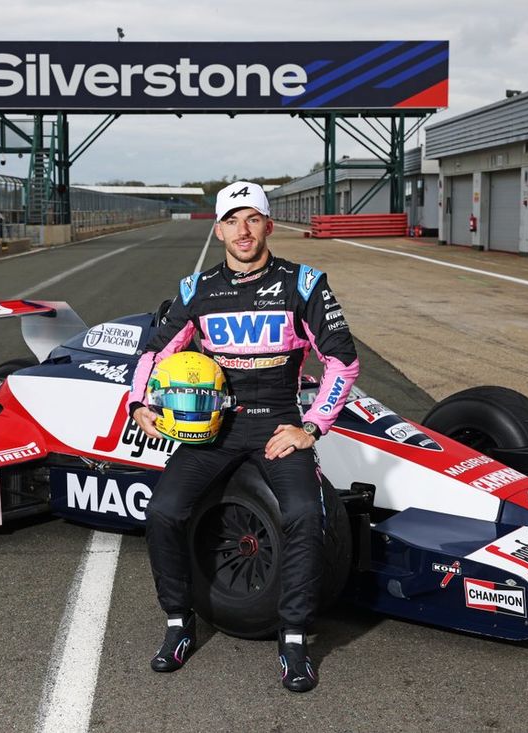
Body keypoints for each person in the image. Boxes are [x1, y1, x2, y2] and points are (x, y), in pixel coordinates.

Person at [127, 180, 360, 693]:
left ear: (268, 225)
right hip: (214, 429)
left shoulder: (305, 282)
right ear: (219, 230)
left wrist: (311, 427)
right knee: (163, 510)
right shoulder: (197, 289)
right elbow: (153, 353)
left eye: (252, 219)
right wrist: (139, 403)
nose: (243, 230)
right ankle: (177, 624)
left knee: (304, 514)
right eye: (232, 221)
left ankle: (294, 639)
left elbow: (342, 360)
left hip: (277, 423)